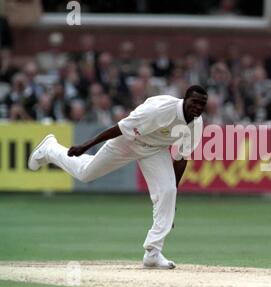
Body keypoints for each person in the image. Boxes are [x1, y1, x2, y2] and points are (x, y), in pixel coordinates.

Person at [27, 86, 208, 270]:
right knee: (86, 173)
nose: (198, 107)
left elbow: (180, 157)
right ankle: (50, 149)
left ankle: (153, 253)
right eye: (194, 102)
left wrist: (171, 200)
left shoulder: (197, 124)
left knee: (168, 191)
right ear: (185, 99)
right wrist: (85, 146)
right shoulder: (160, 111)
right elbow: (121, 128)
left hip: (155, 150)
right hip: (128, 141)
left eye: (202, 104)